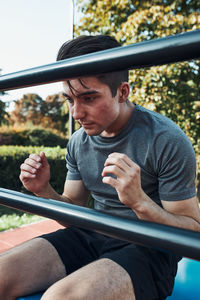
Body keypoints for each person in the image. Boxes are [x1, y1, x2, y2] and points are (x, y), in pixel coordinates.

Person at [1, 35, 200, 300]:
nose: (76, 113)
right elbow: (72, 206)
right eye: (70, 100)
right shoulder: (78, 141)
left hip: (150, 248)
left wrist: (140, 202)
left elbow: (192, 229)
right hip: (90, 234)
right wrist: (44, 191)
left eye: (89, 98)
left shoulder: (166, 139)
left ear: (122, 92)